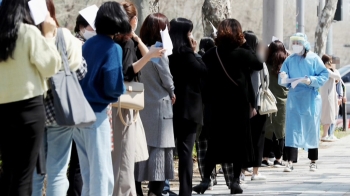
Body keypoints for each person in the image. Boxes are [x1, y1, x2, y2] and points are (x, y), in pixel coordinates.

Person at [193, 19, 263, 195]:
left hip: (214, 106)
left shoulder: (211, 54)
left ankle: (206, 179)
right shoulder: (242, 53)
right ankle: (234, 181)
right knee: (238, 143)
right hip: (237, 105)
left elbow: (202, 77)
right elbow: (258, 64)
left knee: (214, 143)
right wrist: (246, 43)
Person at [0, 0, 61, 195]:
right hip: (30, 109)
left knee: (9, 171)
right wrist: (49, 36)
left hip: (3, 109)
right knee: (24, 175)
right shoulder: (28, 32)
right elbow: (51, 66)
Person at [76, 2, 132, 195]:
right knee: (103, 175)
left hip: (78, 115)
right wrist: (120, 89)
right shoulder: (113, 48)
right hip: (97, 115)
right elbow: (113, 86)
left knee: (88, 175)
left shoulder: (87, 44)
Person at [31, 1, 87, 195]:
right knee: (57, 171)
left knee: (35, 172)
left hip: (33, 110)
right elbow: (81, 71)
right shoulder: (63, 35)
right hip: (60, 111)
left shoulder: (25, 36)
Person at [111, 2, 166, 196]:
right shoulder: (125, 43)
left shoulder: (122, 39)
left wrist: (137, 38)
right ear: (134, 20)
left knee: (125, 155)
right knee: (126, 155)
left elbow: (149, 56)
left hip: (122, 103)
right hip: (125, 104)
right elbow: (128, 71)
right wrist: (147, 54)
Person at [133, 13, 175, 196]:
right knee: (159, 150)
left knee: (140, 149)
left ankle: (137, 191)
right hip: (160, 106)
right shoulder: (159, 50)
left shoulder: (137, 49)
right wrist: (173, 92)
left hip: (141, 105)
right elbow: (167, 79)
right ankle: (154, 192)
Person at [168, 17, 207, 196]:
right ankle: (185, 191)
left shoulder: (167, 52)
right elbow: (203, 71)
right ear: (184, 33)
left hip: (170, 107)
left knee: (167, 149)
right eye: (189, 31)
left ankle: (162, 187)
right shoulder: (186, 52)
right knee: (185, 152)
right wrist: (194, 51)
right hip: (189, 109)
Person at [279, 33, 329, 172]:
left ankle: (313, 160)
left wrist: (311, 80)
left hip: (310, 98)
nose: (295, 45)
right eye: (293, 42)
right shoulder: (289, 60)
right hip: (294, 98)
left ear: (304, 44)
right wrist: (283, 77)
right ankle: (289, 161)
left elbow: (324, 74)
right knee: (292, 129)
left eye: (298, 43)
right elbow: (282, 78)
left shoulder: (313, 58)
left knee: (311, 128)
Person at [243, 31, 268, 181]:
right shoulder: (257, 60)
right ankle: (255, 172)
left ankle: (241, 170)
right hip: (257, 105)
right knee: (258, 138)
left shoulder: (239, 57)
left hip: (242, 104)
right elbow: (261, 83)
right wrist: (254, 105)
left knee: (245, 138)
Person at [263, 40, 289, 168]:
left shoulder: (265, 64)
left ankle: (265, 157)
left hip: (268, 100)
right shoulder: (286, 64)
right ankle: (278, 159)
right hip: (282, 100)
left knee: (267, 128)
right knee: (280, 129)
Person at [320, 54, 341, 142]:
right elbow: (337, 76)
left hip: (330, 95)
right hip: (327, 96)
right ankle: (325, 134)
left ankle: (328, 134)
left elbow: (337, 79)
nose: (331, 63)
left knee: (331, 114)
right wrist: (335, 71)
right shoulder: (326, 71)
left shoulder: (329, 70)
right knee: (327, 115)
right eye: (329, 62)